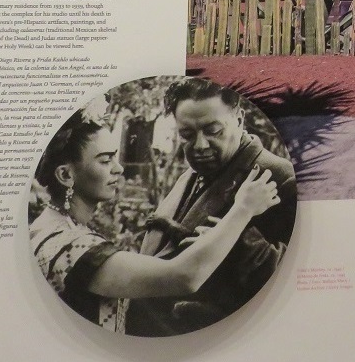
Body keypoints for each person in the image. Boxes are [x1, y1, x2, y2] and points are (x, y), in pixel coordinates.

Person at [29, 113, 281, 334]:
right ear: (65, 175)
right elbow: (183, 277)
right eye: (105, 161)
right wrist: (243, 208)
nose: (118, 169)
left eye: (115, 158)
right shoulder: (71, 246)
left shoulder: (49, 227)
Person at [124, 77, 297, 337]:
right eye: (187, 135)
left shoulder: (278, 177)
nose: (200, 146)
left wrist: (237, 239)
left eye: (213, 131)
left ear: (239, 120)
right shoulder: (191, 174)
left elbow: (291, 285)